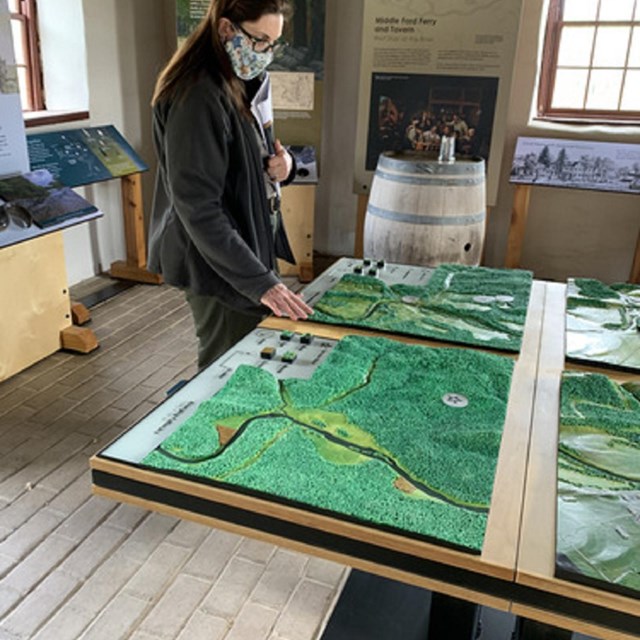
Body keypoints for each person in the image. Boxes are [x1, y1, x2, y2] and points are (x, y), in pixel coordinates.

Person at [148, 0, 312, 370]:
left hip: (242, 246)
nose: (266, 54)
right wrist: (260, 282)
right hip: (215, 263)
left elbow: (253, 153)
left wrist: (286, 166)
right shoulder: (197, 95)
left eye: (274, 44)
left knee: (246, 356)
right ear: (226, 30)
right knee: (228, 366)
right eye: (260, 41)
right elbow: (198, 206)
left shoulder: (237, 79)